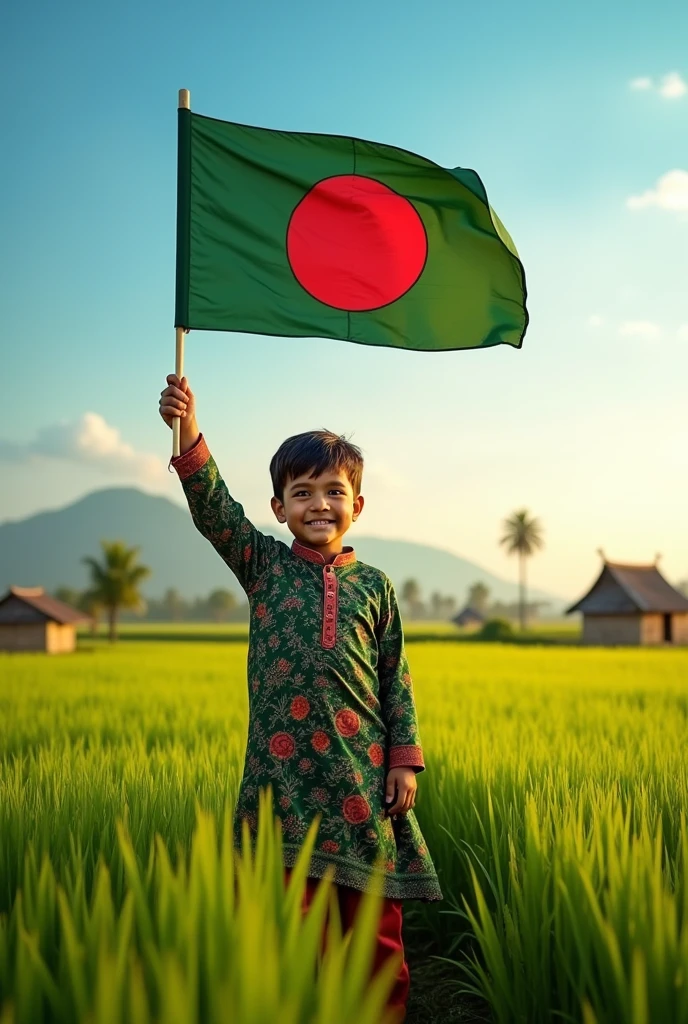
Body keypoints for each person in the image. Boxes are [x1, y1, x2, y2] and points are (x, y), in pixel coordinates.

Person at [159, 373, 443, 1021]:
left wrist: (403, 759)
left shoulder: (375, 587)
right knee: (289, 922)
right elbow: (213, 507)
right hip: (280, 782)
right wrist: (187, 426)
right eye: (302, 492)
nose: (319, 504)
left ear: (358, 506)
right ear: (279, 506)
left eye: (334, 492)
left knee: (372, 927)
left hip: (360, 782)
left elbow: (395, 674)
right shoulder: (264, 568)